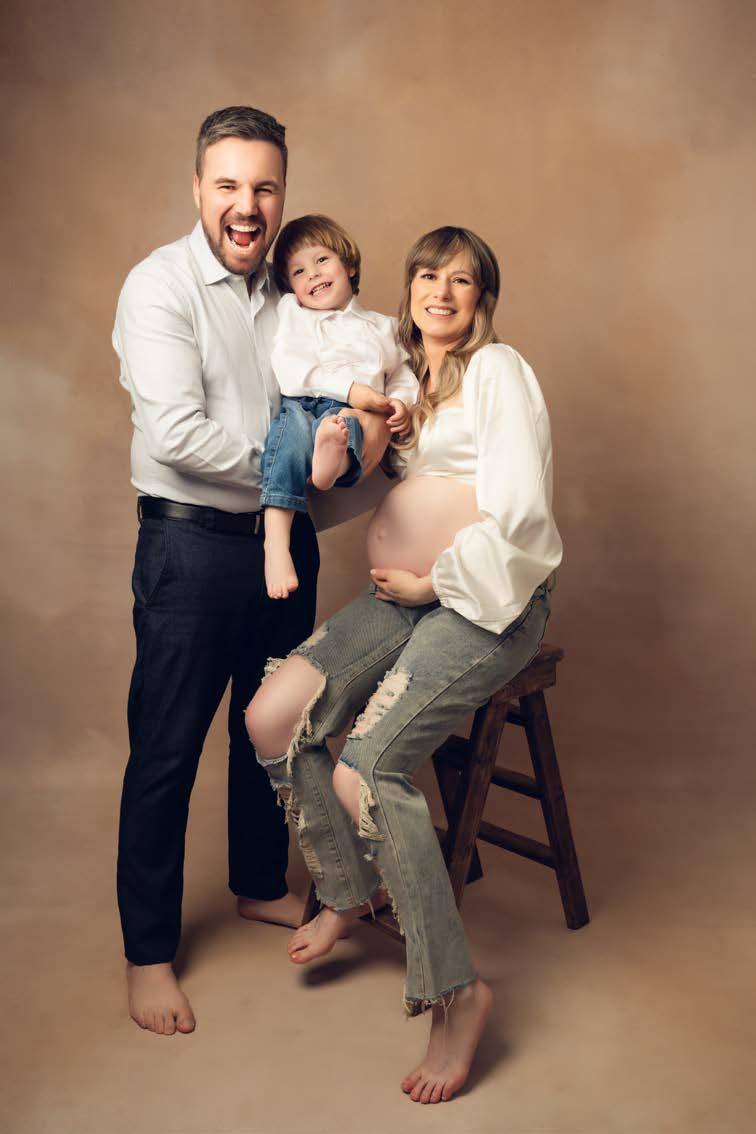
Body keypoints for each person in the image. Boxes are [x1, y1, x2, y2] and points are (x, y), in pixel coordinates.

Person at [245, 226, 563, 1102]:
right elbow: (358, 483)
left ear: (482, 297)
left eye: (461, 280)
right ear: (409, 288)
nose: (441, 292)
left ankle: (457, 994)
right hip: (406, 596)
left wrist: (437, 580)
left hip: (487, 600)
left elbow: (524, 517)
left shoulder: (498, 372)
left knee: (368, 768)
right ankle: (347, 892)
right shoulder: (402, 378)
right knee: (272, 716)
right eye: (428, 275)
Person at [112, 106, 389, 1036]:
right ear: (198, 187)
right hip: (189, 547)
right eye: (228, 184)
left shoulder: (293, 293)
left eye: (264, 187)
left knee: (270, 727)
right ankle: (149, 954)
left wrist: (366, 457)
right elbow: (176, 435)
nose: (247, 204)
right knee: (166, 748)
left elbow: (329, 411)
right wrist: (291, 473)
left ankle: (260, 884)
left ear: (282, 195)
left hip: (282, 543)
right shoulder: (159, 286)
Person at [261, 213, 418, 599]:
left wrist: (400, 402)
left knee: (348, 429)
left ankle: (330, 464)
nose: (313, 274)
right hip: (303, 401)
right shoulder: (292, 314)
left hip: (349, 415)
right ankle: (276, 544)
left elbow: (401, 374)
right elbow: (287, 367)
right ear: (291, 287)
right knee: (287, 441)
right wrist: (350, 389)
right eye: (299, 271)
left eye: (321, 260)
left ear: (349, 264)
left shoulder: (384, 327)